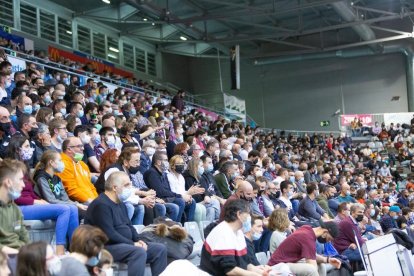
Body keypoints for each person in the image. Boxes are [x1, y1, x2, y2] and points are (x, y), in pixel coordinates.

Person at [6, 136, 79, 256]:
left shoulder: (24, 167)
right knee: (64, 209)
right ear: (17, 149)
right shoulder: (10, 168)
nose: (31, 149)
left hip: (29, 204)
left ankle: (75, 248)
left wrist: (39, 199)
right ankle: (59, 250)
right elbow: (14, 196)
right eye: (27, 146)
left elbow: (29, 192)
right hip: (17, 207)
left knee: (73, 208)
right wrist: (34, 202)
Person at [85, 171, 168, 276]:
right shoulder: (101, 205)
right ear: (115, 187)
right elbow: (108, 234)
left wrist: (138, 240)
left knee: (159, 249)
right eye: (126, 185)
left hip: (124, 245)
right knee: (138, 252)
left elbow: (129, 226)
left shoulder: (120, 204)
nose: (130, 188)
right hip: (104, 247)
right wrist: (133, 244)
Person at [200, 199, 273, 276]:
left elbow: (245, 264)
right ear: (239, 214)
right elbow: (230, 270)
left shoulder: (238, 232)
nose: (250, 217)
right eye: (248, 213)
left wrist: (261, 271)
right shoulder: (223, 233)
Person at [268, 221, 342, 276]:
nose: (327, 241)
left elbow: (311, 256)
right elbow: (313, 267)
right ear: (325, 232)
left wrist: (327, 260)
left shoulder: (307, 228)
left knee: (321, 265)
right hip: (278, 266)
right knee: (312, 270)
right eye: (329, 239)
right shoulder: (307, 238)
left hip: (286, 263)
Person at [33, 150, 88, 219]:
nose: (62, 163)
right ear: (51, 163)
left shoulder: (57, 178)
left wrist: (78, 204)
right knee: (76, 210)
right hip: (48, 206)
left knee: (86, 211)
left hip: (61, 205)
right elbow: (51, 200)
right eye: (60, 160)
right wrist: (76, 204)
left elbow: (65, 198)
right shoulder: (41, 178)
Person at [144, 151, 185, 222]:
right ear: (159, 162)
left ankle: (177, 226)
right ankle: (172, 227)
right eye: (166, 160)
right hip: (156, 199)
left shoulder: (162, 173)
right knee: (177, 204)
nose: (167, 162)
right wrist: (179, 195)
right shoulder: (152, 173)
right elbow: (160, 192)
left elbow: (167, 190)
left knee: (183, 201)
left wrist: (178, 196)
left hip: (163, 198)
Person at [56, 137, 98, 204]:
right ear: (69, 149)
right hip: (79, 202)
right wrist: (91, 202)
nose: (83, 148)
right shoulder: (62, 164)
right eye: (79, 146)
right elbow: (72, 190)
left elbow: (91, 186)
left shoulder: (82, 164)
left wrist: (97, 200)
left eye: (82, 146)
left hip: (92, 200)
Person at [0, 159, 29, 256]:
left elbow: (24, 237)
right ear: (8, 182)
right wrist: (19, 253)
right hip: (5, 258)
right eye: (20, 179)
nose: (23, 185)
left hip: (19, 255)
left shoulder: (15, 209)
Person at [168, 155, 198, 222]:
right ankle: (177, 224)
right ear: (172, 166)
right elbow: (173, 192)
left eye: (182, 164)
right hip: (173, 198)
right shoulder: (169, 176)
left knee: (192, 201)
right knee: (181, 201)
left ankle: (188, 224)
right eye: (179, 164)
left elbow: (182, 190)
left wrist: (188, 195)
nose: (181, 165)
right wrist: (187, 193)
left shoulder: (181, 177)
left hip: (181, 197)